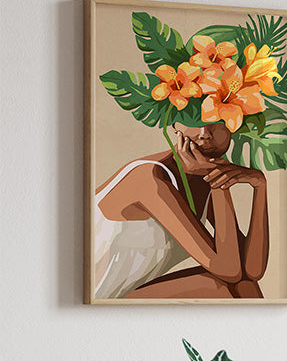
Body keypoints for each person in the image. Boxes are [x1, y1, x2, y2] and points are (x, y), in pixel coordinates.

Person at [93, 122, 269, 300]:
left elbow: (252, 270)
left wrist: (260, 185)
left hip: (123, 296)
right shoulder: (149, 177)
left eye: (217, 122)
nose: (205, 134)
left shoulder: (199, 175)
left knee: (245, 285)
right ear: (174, 125)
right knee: (230, 287)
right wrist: (215, 177)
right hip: (94, 300)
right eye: (194, 121)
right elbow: (229, 270)